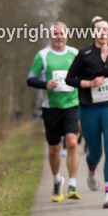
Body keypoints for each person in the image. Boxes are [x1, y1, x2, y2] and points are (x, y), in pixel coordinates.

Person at [65, 18, 108, 208]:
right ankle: (92, 168)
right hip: (89, 110)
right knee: (95, 152)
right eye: (99, 30)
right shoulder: (84, 54)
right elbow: (70, 79)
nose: (102, 33)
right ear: (94, 33)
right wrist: (89, 83)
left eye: (106, 30)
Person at [27, 22, 81, 202]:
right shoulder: (42, 55)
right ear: (51, 36)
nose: (59, 37)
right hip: (50, 107)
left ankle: (72, 184)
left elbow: (83, 75)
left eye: (62, 33)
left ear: (67, 35)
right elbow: (30, 79)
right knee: (54, 150)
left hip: (71, 104)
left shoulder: (75, 54)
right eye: (56, 34)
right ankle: (57, 180)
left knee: (72, 143)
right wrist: (45, 84)